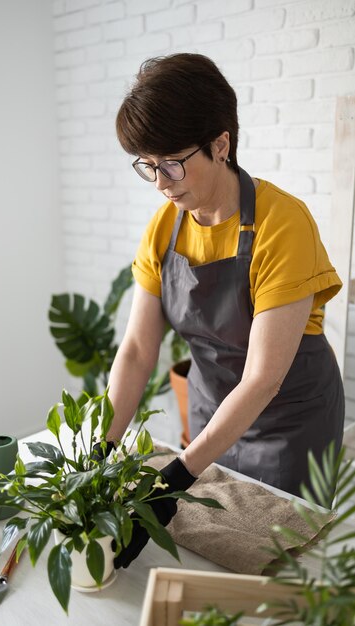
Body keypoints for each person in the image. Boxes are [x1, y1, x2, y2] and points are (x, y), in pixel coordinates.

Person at [102, 53, 345, 569]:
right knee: (210, 556)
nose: (162, 182)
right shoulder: (164, 229)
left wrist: (179, 474)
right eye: (148, 166)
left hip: (289, 426)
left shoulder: (283, 225)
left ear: (221, 144)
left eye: (171, 163)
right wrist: (102, 445)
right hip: (214, 414)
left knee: (285, 568)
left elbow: (261, 379)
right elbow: (139, 349)